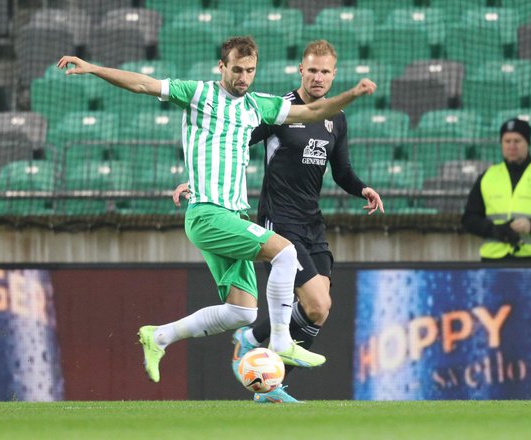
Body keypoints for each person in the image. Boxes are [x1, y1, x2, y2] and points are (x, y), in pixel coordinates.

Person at [57, 36, 378, 384]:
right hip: (209, 215)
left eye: (250, 70)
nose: (243, 77)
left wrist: (353, 95)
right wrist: (92, 69)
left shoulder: (258, 106)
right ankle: (282, 342)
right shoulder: (198, 94)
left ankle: (159, 336)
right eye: (237, 69)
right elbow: (142, 83)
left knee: (241, 311)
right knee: (284, 253)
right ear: (221, 67)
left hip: (234, 216)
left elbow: (315, 111)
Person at [174, 40, 384, 403]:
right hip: (279, 219)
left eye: (325, 72)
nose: (318, 77)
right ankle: (258, 345)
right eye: (312, 70)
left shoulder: (336, 118)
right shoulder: (278, 110)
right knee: (316, 302)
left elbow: (342, 170)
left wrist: (362, 188)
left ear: (334, 75)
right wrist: (197, 181)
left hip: (311, 223)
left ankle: (265, 371)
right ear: (300, 70)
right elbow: (230, 140)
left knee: (320, 308)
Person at [462, 118, 531, 261]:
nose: (512, 146)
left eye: (517, 141)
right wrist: (495, 230)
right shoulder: (487, 177)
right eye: (507, 141)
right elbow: (469, 219)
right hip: (493, 260)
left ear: (528, 143)